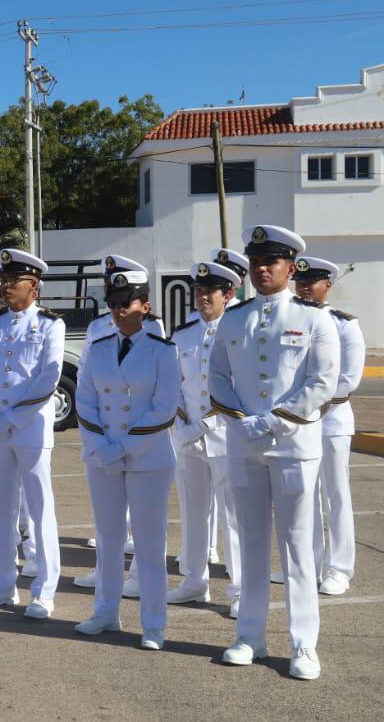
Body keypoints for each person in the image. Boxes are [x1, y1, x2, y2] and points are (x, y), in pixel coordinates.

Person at [210, 224, 339, 680]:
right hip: (244, 444)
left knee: (298, 547)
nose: (262, 269)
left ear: (290, 267)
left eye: (271, 262)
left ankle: (304, 644)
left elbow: (322, 382)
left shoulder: (314, 318)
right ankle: (250, 635)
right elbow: (217, 377)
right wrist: (241, 421)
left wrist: (273, 421)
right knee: (250, 541)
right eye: (256, 262)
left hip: (293, 446)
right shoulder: (233, 318)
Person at [74, 267, 178, 650]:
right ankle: (105, 612)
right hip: (102, 457)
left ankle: (153, 623)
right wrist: (101, 447)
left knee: (149, 543)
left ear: (145, 307)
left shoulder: (164, 351)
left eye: (127, 303)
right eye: (114, 303)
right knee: (108, 538)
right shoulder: (98, 348)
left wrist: (121, 448)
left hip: (147, 457)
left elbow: (164, 409)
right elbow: (85, 401)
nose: (119, 311)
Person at [0, 248, 63, 620]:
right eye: (4, 280)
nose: (6, 286)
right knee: (3, 509)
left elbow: (49, 377)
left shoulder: (50, 325)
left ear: (33, 287)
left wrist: (12, 417)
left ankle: (44, 591)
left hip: (30, 429)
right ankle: (2, 585)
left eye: (14, 280)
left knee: (40, 511)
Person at [168, 261, 243, 616]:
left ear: (228, 295)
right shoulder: (183, 335)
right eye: (198, 291)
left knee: (232, 517)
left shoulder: (238, 333)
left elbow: (240, 388)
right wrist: (182, 425)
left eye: (209, 291)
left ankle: (240, 587)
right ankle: (194, 580)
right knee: (193, 513)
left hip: (225, 437)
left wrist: (205, 425)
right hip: (187, 438)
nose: (202, 297)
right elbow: (174, 384)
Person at [292, 256, 365, 597]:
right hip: (296, 424)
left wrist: (309, 406)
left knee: (335, 494)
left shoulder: (344, 325)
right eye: (300, 281)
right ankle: (307, 564)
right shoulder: (289, 321)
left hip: (331, 421)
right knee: (302, 496)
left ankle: (339, 568)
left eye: (312, 281)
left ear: (328, 285)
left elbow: (348, 380)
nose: (304, 287)